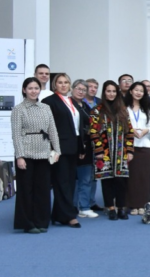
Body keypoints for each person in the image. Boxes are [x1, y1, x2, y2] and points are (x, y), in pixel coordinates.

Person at [12, 77, 63, 233]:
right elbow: (16, 135)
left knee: (43, 189)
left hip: (44, 153)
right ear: (24, 90)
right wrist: (20, 156)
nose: (34, 91)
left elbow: (53, 130)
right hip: (26, 153)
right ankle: (27, 223)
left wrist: (57, 150)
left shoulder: (45, 108)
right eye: (30, 88)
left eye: (36, 88)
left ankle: (41, 221)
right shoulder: (19, 109)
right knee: (26, 190)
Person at [41, 74, 84, 228]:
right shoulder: (49, 101)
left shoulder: (72, 101)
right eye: (60, 82)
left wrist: (81, 147)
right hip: (59, 148)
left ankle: (59, 214)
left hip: (73, 146)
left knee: (69, 182)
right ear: (55, 85)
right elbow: (46, 127)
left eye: (66, 82)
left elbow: (77, 126)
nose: (63, 85)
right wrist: (52, 147)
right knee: (62, 182)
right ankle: (69, 216)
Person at [90, 81, 136, 221]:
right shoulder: (97, 110)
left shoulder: (123, 110)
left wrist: (130, 150)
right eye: (108, 91)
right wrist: (98, 150)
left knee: (121, 181)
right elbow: (93, 132)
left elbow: (129, 131)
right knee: (107, 180)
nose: (111, 94)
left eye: (114, 91)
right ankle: (110, 208)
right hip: (104, 152)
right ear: (104, 92)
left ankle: (121, 207)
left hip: (121, 152)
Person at [122, 83, 150, 216]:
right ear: (131, 91)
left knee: (144, 177)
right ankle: (132, 204)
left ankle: (142, 204)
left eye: (141, 91)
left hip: (145, 146)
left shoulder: (146, 108)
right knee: (131, 177)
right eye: (136, 90)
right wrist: (131, 130)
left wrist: (145, 131)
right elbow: (122, 125)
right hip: (129, 146)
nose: (138, 93)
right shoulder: (124, 108)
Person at [70, 80, 97, 218]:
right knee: (72, 179)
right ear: (72, 89)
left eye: (83, 90)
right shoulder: (68, 105)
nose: (81, 92)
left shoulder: (87, 107)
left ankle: (84, 207)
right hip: (72, 146)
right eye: (78, 88)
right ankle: (72, 206)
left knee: (86, 178)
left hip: (87, 147)